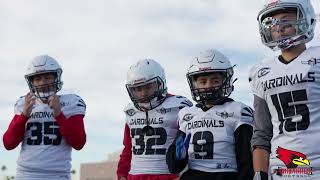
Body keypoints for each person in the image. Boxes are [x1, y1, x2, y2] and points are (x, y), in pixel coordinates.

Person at [249, 0, 319, 179]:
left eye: (286, 21)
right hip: (280, 170)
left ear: (306, 19)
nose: (278, 28)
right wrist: (260, 173)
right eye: (272, 24)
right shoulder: (261, 72)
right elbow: (262, 132)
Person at [166, 49, 254, 180]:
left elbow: (246, 161)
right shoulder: (186, 114)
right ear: (194, 83)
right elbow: (174, 168)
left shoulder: (238, 110)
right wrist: (177, 157)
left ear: (225, 81)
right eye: (203, 81)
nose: (208, 86)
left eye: (215, 81)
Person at [3, 55, 87, 180]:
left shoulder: (71, 103)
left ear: (56, 78)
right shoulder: (23, 104)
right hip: (26, 174)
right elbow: (8, 143)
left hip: (57, 175)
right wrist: (24, 116)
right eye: (37, 79)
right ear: (31, 82)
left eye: (47, 77)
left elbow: (79, 143)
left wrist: (59, 115)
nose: (43, 82)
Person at [117, 59, 192, 180]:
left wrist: (184, 174)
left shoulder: (178, 106)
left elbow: (190, 145)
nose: (142, 93)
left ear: (160, 83)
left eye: (147, 87)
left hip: (167, 175)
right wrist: (122, 173)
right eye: (137, 89)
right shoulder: (131, 112)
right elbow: (128, 148)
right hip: (135, 176)